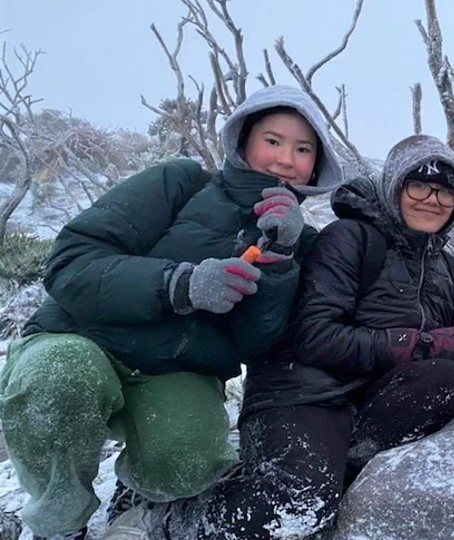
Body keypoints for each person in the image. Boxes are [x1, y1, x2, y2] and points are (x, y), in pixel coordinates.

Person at [106, 134, 454, 538]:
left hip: (367, 399)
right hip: (301, 392)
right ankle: (161, 518)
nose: (433, 199)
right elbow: (316, 336)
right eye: (419, 186)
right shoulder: (349, 239)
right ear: (393, 186)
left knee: (444, 379)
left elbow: (449, 352)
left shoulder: (450, 274)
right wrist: (419, 343)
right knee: (302, 506)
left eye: (447, 192)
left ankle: (332, 466)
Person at [0, 84, 344, 539]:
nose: (285, 159)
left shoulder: (299, 241)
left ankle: (137, 498)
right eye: (273, 141)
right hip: (79, 338)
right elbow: (71, 260)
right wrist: (178, 284)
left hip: (175, 369)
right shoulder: (181, 183)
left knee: (189, 459)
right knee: (62, 377)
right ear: (243, 142)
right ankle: (59, 522)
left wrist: (281, 255)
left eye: (303, 149)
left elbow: (255, 344)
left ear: (315, 166)